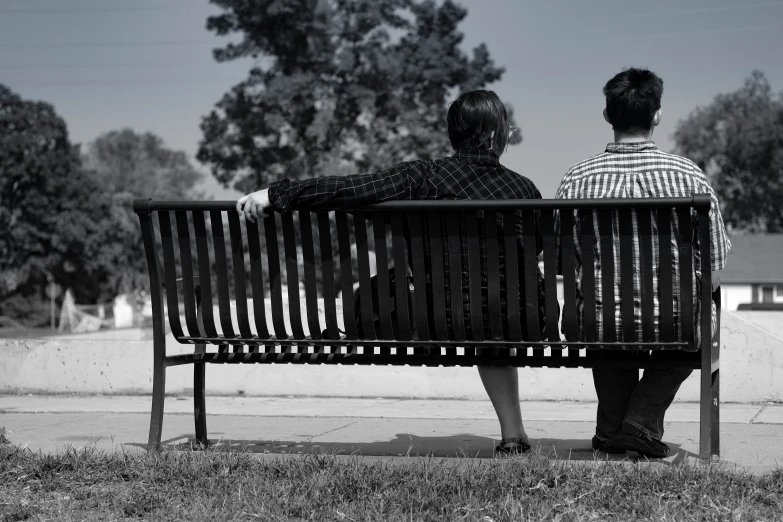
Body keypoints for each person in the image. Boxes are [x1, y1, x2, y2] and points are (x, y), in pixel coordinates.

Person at [238, 89, 549, 455]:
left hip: (435, 319)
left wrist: (277, 194)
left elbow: (352, 188)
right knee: (492, 313)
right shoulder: (524, 188)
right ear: (497, 134)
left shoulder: (423, 176)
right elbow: (537, 249)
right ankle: (513, 435)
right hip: (513, 320)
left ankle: (512, 427)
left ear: (453, 134)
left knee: (411, 293)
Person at [555, 68, 731, 458]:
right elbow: (716, 262)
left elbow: (559, 260)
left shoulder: (576, 178)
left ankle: (612, 431)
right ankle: (639, 424)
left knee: (606, 319)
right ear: (657, 115)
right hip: (676, 319)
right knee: (697, 321)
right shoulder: (687, 175)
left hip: (594, 321)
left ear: (607, 115)